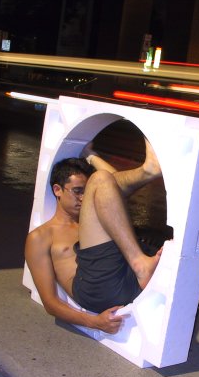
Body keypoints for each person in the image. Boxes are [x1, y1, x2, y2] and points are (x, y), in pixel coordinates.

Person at [24, 139, 163, 334]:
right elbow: (50, 302)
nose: (82, 198)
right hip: (96, 290)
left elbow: (112, 184)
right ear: (57, 190)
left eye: (85, 191)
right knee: (100, 180)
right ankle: (140, 264)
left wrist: (90, 156)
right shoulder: (41, 237)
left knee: (106, 185)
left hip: (126, 277)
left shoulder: (98, 216)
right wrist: (93, 322)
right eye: (77, 191)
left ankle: (149, 170)